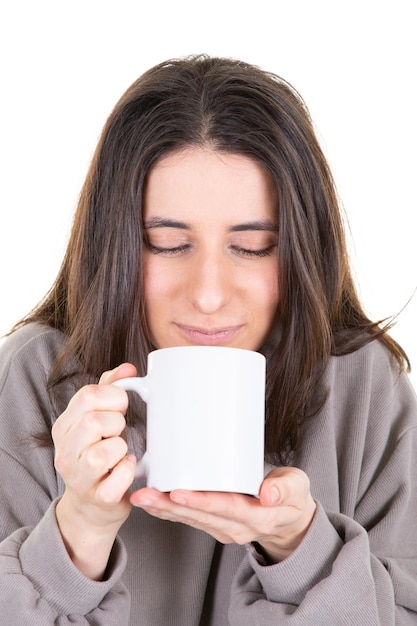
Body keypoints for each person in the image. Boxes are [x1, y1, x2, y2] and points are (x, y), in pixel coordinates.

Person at [0, 54, 416, 625]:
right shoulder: (33, 380)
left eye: (252, 247)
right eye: (169, 244)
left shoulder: (363, 387)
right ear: (115, 246)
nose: (210, 295)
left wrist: (303, 550)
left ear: (301, 250)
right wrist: (80, 528)